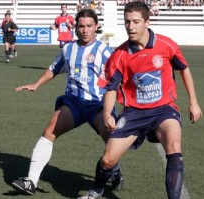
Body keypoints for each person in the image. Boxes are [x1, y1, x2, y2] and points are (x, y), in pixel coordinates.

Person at [78, 1, 203, 199]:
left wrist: (193, 102)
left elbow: (184, 69)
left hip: (164, 109)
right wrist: (107, 112)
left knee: (174, 146)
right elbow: (111, 87)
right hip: (134, 112)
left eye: (136, 22)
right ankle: (97, 189)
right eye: (127, 22)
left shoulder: (166, 45)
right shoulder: (119, 54)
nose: (131, 27)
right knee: (108, 160)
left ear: (147, 21)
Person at [11, 9, 123, 195]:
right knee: (50, 131)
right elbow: (54, 69)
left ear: (96, 27)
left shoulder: (105, 51)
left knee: (110, 140)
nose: (85, 30)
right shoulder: (68, 48)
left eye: (89, 26)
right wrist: (36, 84)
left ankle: (116, 171)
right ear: (75, 27)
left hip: (98, 104)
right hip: (74, 103)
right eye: (81, 26)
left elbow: (119, 77)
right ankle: (31, 180)